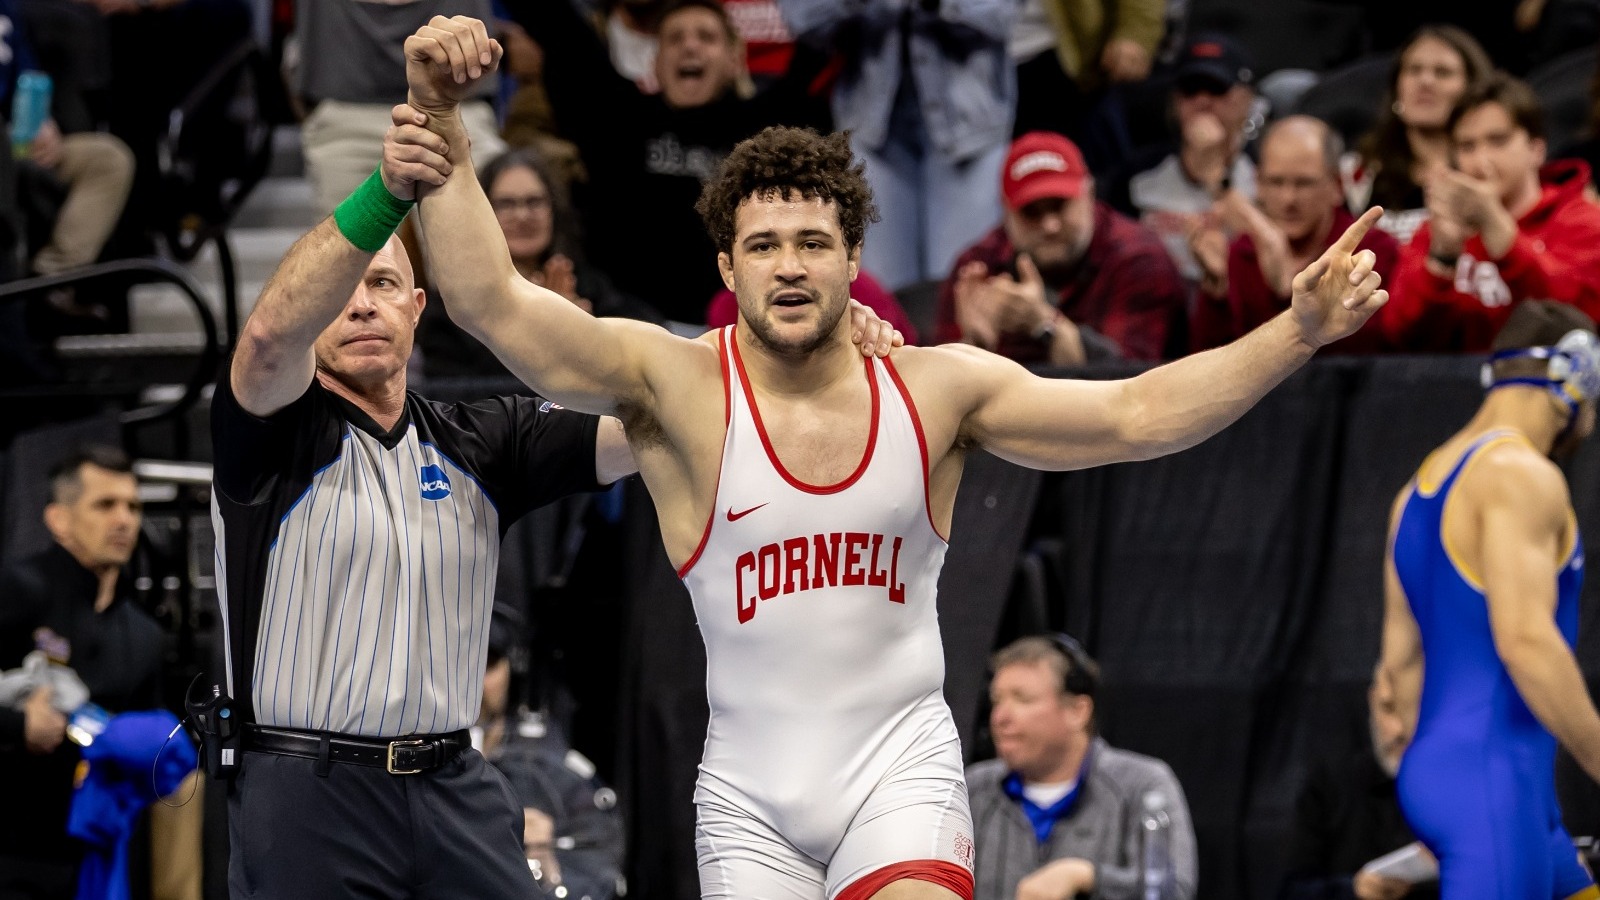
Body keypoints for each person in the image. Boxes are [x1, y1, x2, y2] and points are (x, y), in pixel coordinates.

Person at [388, 17, 1386, 898]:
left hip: (896, 770)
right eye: (766, 244)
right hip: (747, 796)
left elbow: (1133, 415)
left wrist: (1293, 331)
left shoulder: (934, 388)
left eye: (813, 243)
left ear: (852, 258)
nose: (790, 264)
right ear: (726, 267)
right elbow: (493, 306)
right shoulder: (676, 386)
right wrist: (442, 116)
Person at [210, 99, 900, 898]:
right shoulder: (266, 431)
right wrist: (386, 193)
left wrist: (812, 334)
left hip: (452, 782)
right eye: (341, 292)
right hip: (309, 790)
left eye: (385, 283)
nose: (361, 303)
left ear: (416, 308)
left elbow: (663, 410)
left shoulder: (482, 440)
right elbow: (267, 337)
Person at [1375, 299, 1600, 899]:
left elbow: (1398, 667)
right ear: (1574, 378)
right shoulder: (1521, 475)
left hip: (1453, 775)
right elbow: (1525, 643)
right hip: (1494, 785)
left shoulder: (1415, 490)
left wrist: (1448, 788)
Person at [502, 0, 832, 326]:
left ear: (735, 59)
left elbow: (829, 34)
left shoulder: (770, 129)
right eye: (674, 39)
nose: (690, 46)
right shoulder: (618, 119)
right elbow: (561, 30)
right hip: (633, 330)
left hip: (743, 327)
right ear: (656, 62)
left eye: (706, 37)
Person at [0, 445, 164, 900]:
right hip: (12, 856)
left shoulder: (144, 634)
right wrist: (18, 724)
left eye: (132, 506)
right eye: (104, 505)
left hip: (97, 859)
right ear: (59, 519)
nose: (124, 520)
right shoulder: (18, 590)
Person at [779, 0, 1018, 293]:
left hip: (972, 128)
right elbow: (803, 18)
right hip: (871, 130)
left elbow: (1005, 14)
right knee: (879, 297)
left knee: (967, 286)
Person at [966, 635, 1197, 900]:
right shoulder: (972, 790)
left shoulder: (1142, 785)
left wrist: (1087, 877)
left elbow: (1172, 891)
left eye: (1023, 699)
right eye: (997, 701)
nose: (1000, 717)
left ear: (1078, 711)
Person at [1384, 73, 1600, 353]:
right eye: (1467, 146)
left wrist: (1501, 234)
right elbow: (1400, 336)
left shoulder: (1582, 221)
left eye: (1498, 141)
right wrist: (1442, 257)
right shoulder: (1436, 229)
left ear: (1536, 149)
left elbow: (1579, 326)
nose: (1481, 160)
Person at [935, 130, 1187, 363]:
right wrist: (974, 346)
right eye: (1031, 212)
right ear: (1005, 211)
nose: (1049, 225)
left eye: (1059, 205)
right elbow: (932, 394)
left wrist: (1044, 325)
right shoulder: (978, 267)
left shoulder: (1139, 259)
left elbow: (1132, 384)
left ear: (1089, 193)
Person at [416, 146, 663, 378]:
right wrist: (544, 331)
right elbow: (456, 397)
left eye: (534, 202)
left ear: (553, 210)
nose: (522, 215)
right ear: (484, 214)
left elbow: (649, 345)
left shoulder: (587, 287)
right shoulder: (454, 306)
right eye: (506, 204)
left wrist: (584, 331)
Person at [1192, 116, 1400, 353]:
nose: (1288, 199)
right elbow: (1211, 363)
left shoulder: (1372, 250)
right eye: (1275, 182)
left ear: (1337, 186)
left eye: (1303, 183)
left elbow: (1369, 359)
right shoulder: (1241, 253)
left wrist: (1286, 295)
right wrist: (1216, 295)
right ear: (1258, 185)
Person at [475, 607, 626, 900]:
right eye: (460, 667)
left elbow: (599, 878)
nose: (473, 683)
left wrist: (545, 863)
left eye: (488, 665)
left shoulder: (555, 773)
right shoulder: (409, 766)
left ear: (512, 669)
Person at [1106, 31, 1263, 284]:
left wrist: (1215, 176)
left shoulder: (1265, 170)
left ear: (1246, 99)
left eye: (1217, 89)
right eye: (1190, 89)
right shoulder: (1136, 174)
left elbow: (1272, 255)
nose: (1202, 101)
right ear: (1175, 100)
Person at [1279, 678, 1436, 900]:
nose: (1399, 729)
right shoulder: (1331, 785)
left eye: (1412, 710)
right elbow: (1292, 890)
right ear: (1372, 701)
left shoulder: (1466, 788)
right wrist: (1354, 889)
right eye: (1388, 708)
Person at [1342, 26, 1492, 245]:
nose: (1426, 82)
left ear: (1472, 88)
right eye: (1414, 70)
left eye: (1443, 72)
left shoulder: (1488, 169)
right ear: (1396, 88)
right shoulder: (1358, 172)